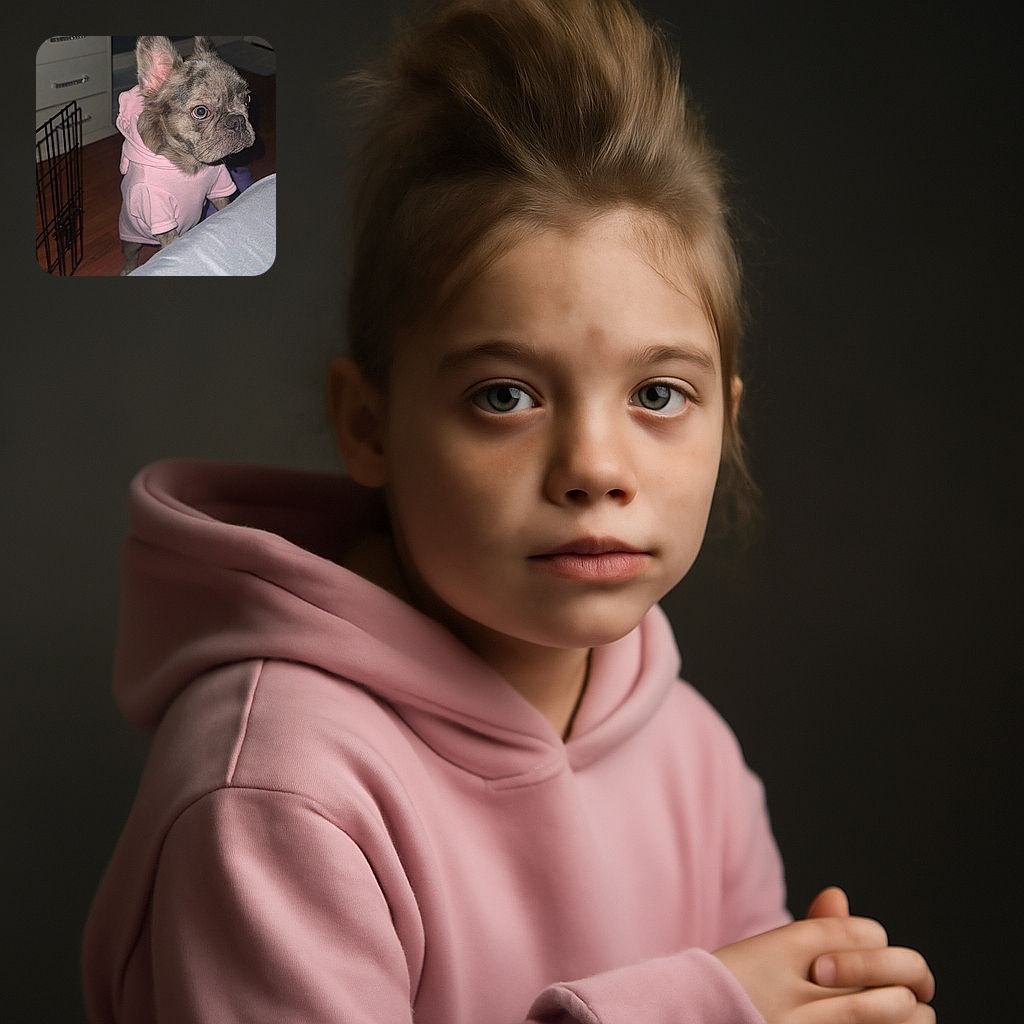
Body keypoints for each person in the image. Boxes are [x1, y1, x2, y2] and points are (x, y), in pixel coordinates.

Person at [82, 1, 935, 1021]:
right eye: (506, 395)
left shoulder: (698, 763)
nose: (593, 468)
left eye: (659, 394)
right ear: (370, 425)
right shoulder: (279, 789)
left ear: (727, 423)